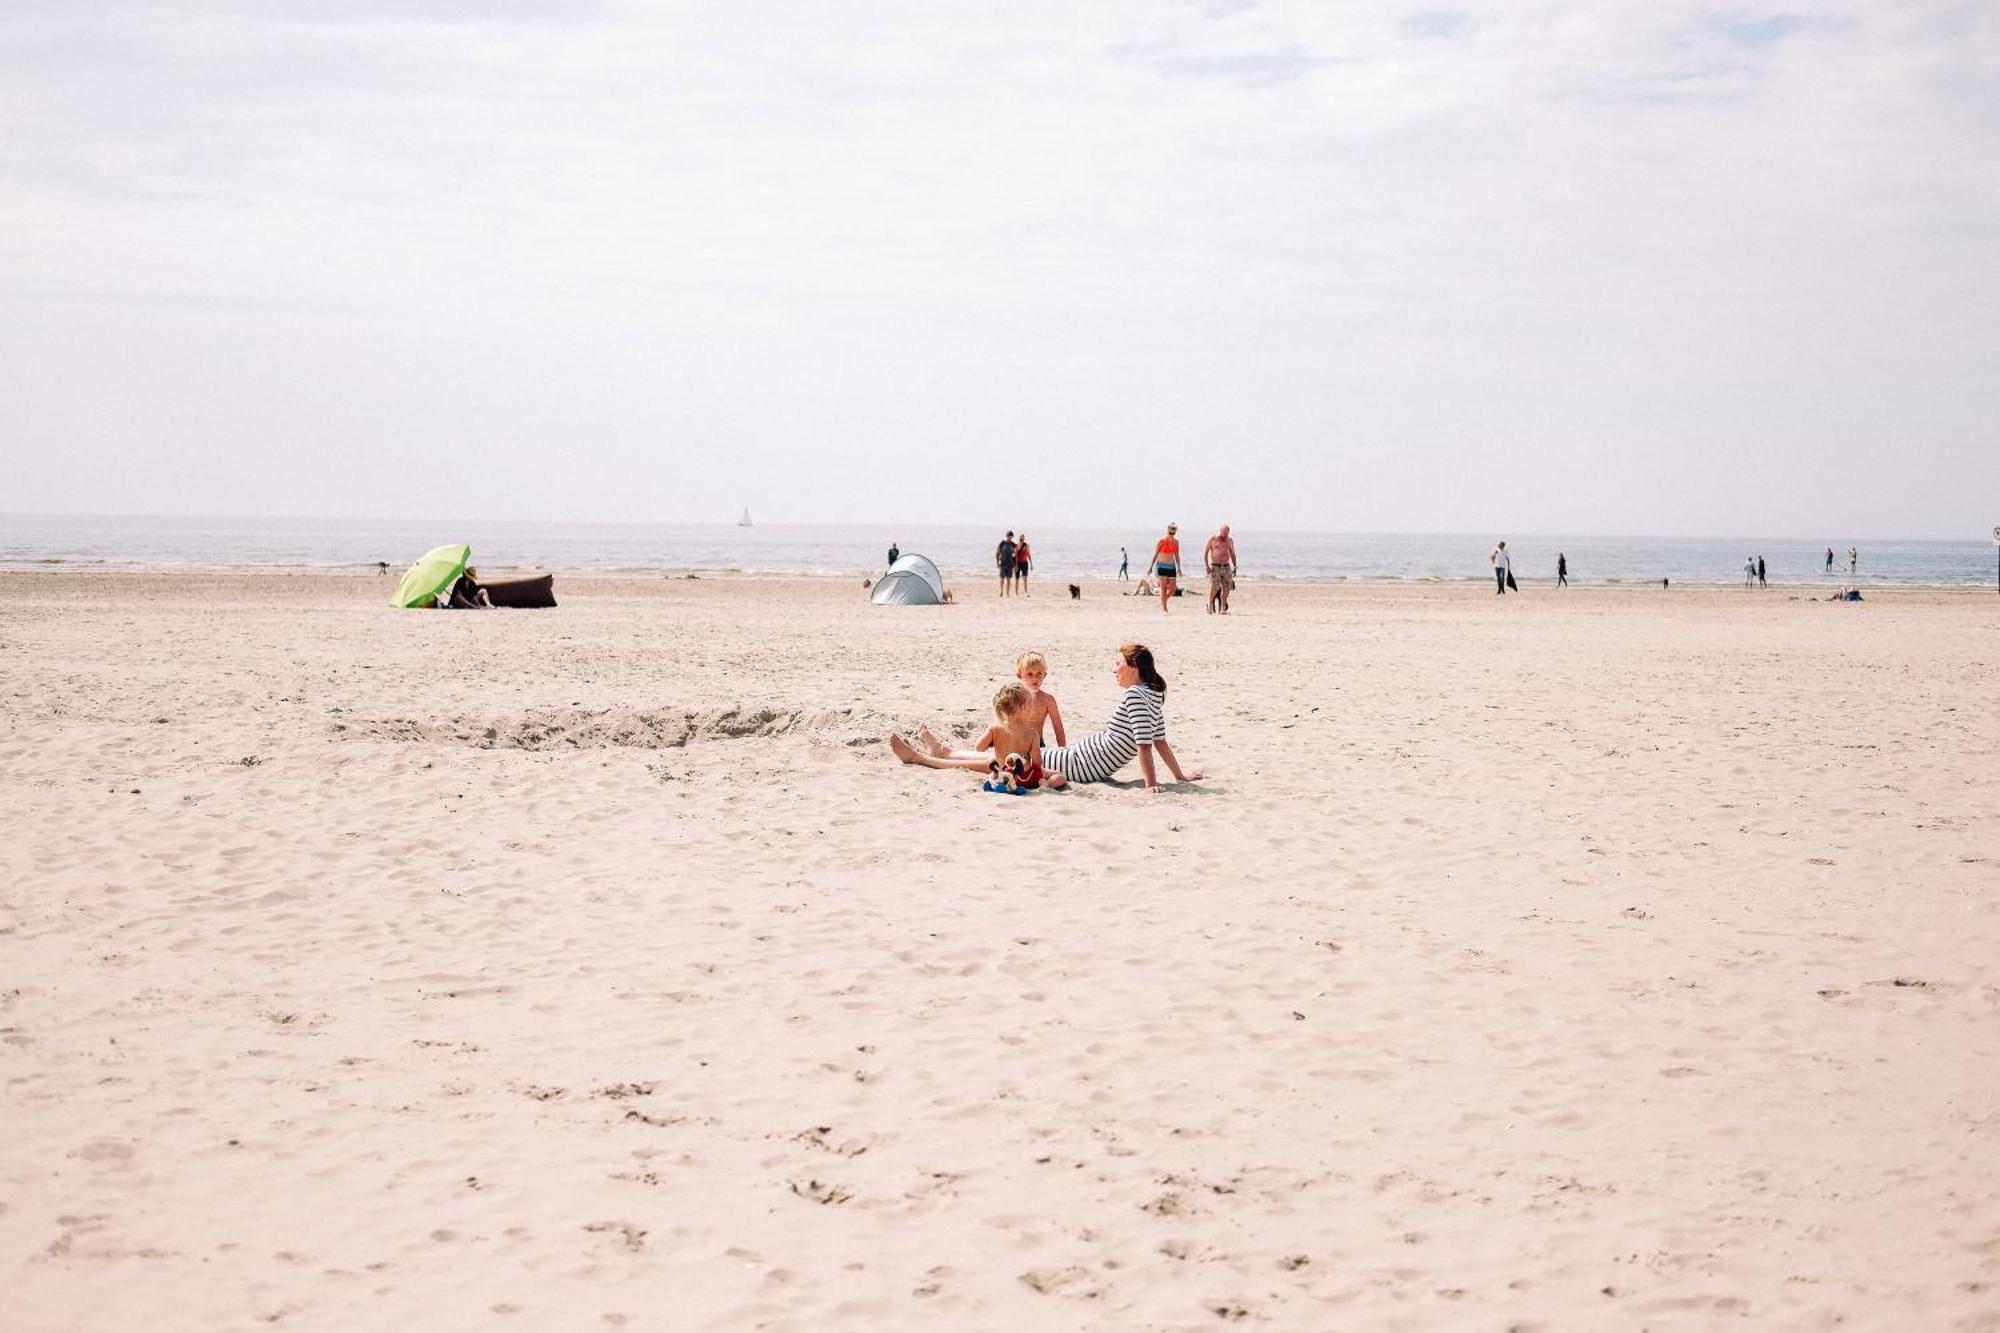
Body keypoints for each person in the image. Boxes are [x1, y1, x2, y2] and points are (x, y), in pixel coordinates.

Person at [1040, 644, 1201, 792]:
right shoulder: (1150, 693)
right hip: (1077, 758)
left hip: (1079, 766)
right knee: (1027, 755)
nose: (1114, 669)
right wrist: (1178, 777)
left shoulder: (1137, 694)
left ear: (1134, 667)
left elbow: (1149, 743)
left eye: (1118, 664)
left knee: (1027, 757)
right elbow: (1157, 742)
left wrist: (1152, 784)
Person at [889, 683, 1050, 787]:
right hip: (1017, 775)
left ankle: (929, 755)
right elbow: (1037, 762)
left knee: (960, 764)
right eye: (1029, 705)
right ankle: (929, 753)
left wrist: (994, 741)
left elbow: (979, 748)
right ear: (1022, 708)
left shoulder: (996, 727)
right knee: (963, 764)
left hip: (997, 768)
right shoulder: (1032, 733)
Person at [1204, 524, 1238, 614]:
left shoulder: (1229, 541)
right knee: (1214, 587)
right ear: (1220, 531)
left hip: (1226, 566)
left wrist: (1235, 566)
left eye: (1226, 534)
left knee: (1227, 587)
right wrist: (1207, 566)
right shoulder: (1213, 539)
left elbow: (1232, 553)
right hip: (1215, 566)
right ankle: (1210, 604)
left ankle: (1223, 608)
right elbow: (1206, 552)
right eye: (1223, 533)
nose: (1224, 536)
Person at [1150, 524, 1183, 613]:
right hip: (1161, 566)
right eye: (1171, 529)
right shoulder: (1161, 541)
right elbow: (1156, 554)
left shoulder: (1176, 542)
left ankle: (1163, 601)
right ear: (1168, 530)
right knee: (1163, 589)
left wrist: (1179, 567)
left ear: (1175, 531)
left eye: (1174, 529)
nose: (1172, 531)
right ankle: (1165, 608)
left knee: (1172, 590)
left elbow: (1176, 555)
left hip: (1171, 567)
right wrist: (1151, 567)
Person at [996, 531, 1017, 598]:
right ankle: (1001, 591)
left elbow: (1015, 555)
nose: (1010, 538)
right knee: (1002, 579)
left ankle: (1007, 593)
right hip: (1003, 563)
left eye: (1011, 536)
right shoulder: (1002, 543)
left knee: (1008, 579)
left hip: (1010, 564)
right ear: (1006, 536)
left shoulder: (1013, 544)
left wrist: (1016, 565)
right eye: (1009, 536)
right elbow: (997, 553)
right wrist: (997, 562)